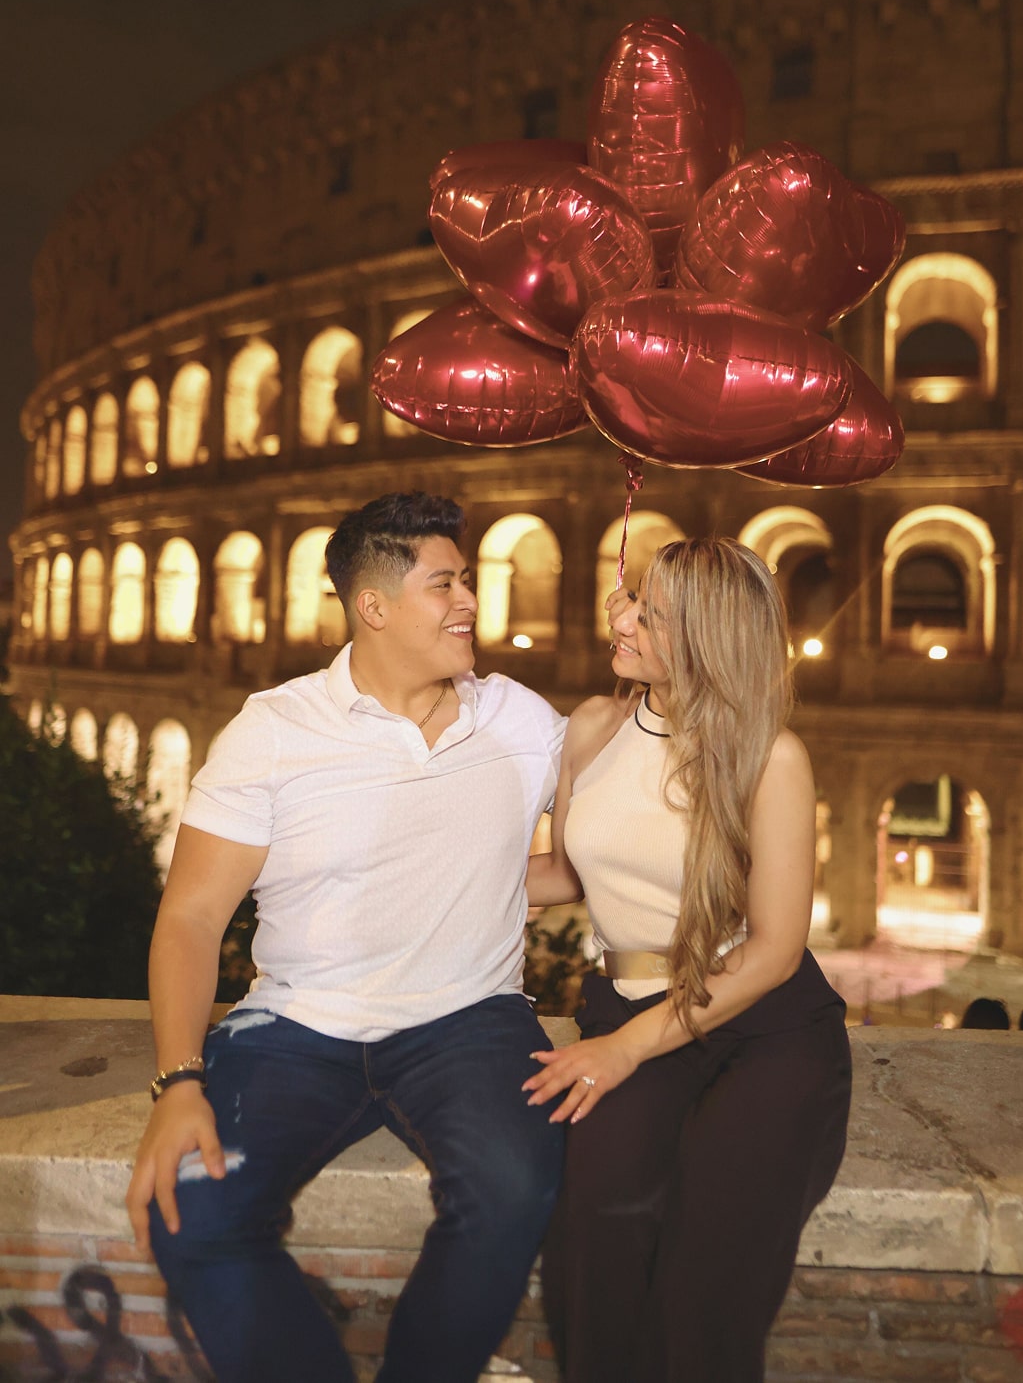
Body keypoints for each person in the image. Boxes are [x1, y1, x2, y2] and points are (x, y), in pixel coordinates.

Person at [126, 492, 567, 1383]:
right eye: (445, 584)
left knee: (515, 1191)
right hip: (295, 1026)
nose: (471, 604)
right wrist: (179, 1081)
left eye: (468, 582)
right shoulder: (275, 730)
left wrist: (501, 887)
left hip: (469, 1021)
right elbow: (192, 918)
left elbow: (610, 852)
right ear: (373, 606)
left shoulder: (521, 721)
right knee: (192, 1215)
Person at [523, 537, 853, 1383]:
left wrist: (626, 1049)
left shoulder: (771, 756)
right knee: (595, 1235)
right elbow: (568, 869)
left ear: (704, 637)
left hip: (762, 1024)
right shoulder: (595, 725)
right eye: (631, 597)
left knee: (714, 1249)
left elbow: (775, 952)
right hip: (625, 1004)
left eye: (650, 613)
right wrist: (432, 880)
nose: (620, 616)